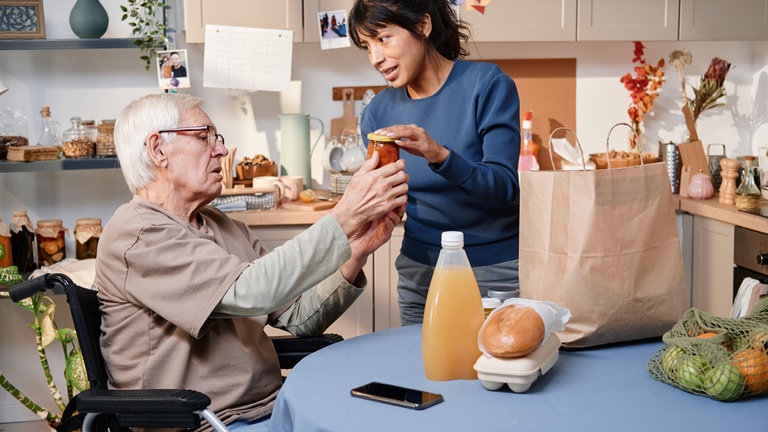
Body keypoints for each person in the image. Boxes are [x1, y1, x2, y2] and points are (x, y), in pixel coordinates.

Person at [94, 93, 408, 431]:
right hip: (205, 422)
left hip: (273, 406)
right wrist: (345, 214)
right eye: (204, 137)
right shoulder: (138, 234)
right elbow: (251, 293)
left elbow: (298, 316)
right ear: (158, 149)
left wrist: (356, 248)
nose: (222, 150)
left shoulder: (222, 225)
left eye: (218, 138)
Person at [349, 0, 521, 326]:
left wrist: (439, 155)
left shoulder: (487, 86)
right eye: (367, 46)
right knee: (421, 372)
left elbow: (505, 187)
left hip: (493, 273)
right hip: (419, 274)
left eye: (383, 39)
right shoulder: (377, 113)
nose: (375, 58)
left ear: (423, 26)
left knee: (492, 371)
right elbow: (390, 200)